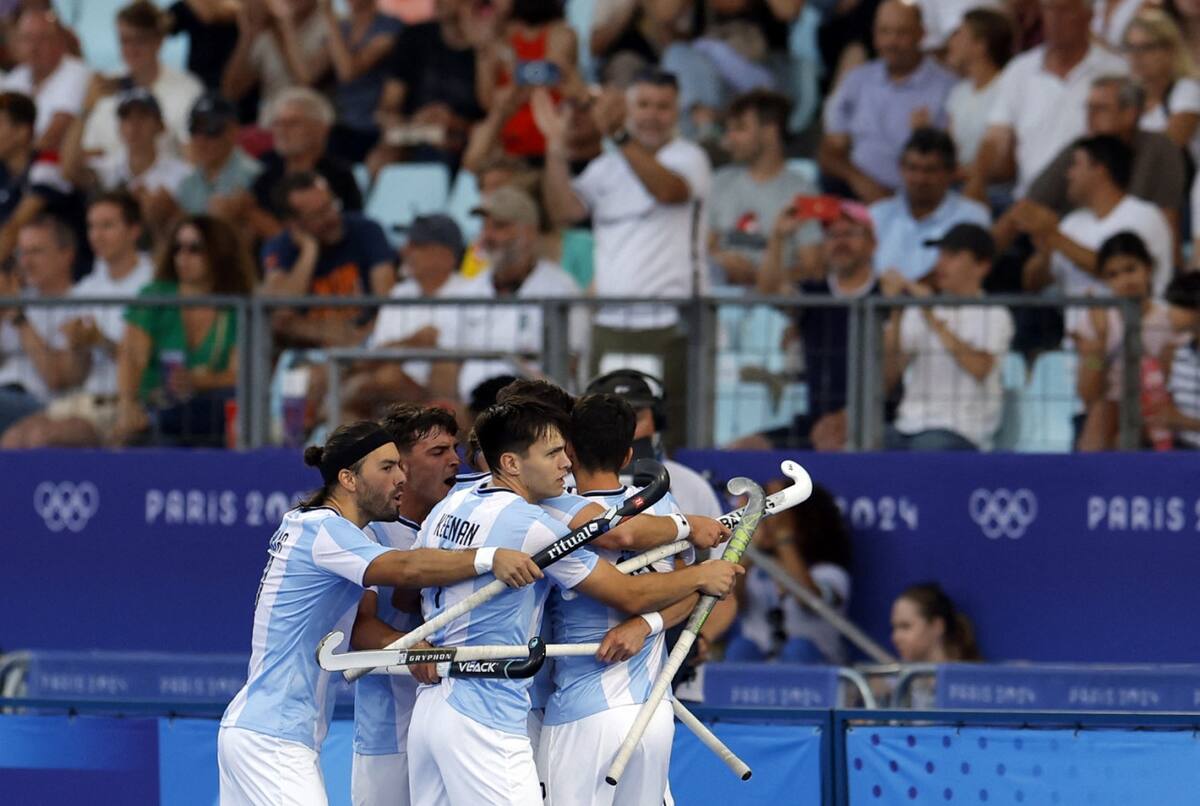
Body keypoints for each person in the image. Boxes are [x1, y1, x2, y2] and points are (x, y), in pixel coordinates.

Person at [406, 399, 741, 805]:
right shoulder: (533, 523)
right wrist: (701, 574)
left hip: (431, 710)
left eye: (565, 451)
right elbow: (627, 591)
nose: (565, 463)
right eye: (552, 454)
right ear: (511, 464)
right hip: (487, 714)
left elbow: (408, 589)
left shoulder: (453, 503)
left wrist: (423, 638)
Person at [218, 419, 542, 805]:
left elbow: (364, 624)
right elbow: (405, 569)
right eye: (386, 468)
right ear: (349, 479)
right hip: (271, 740)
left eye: (400, 466)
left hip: (257, 730)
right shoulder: (325, 530)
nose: (400, 478)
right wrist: (491, 557)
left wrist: (410, 646)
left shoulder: (314, 527)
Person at [536, 393, 704, 806]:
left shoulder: (553, 509)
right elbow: (696, 589)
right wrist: (649, 625)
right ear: (629, 454)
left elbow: (698, 587)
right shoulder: (664, 508)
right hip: (653, 716)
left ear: (568, 451)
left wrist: (642, 623)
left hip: (582, 712)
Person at [537, 69, 712, 446]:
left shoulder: (689, 156)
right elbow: (564, 211)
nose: (652, 115)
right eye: (644, 105)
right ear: (630, 109)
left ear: (677, 111)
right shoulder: (607, 166)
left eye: (663, 107)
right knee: (601, 434)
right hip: (609, 321)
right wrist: (554, 147)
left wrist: (618, 135)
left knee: (672, 435)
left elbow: (668, 191)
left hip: (672, 322)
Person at [349, 403, 463, 806]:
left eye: (455, 449)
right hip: (389, 732)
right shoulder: (369, 532)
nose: (455, 461)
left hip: (457, 724)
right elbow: (358, 629)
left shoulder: (463, 520)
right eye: (437, 453)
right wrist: (409, 646)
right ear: (400, 466)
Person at [1, 193, 153, 448]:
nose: (97, 235)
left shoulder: (151, 282)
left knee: (40, 437)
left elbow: (146, 358)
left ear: (134, 230)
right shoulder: (86, 289)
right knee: (14, 439)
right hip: (81, 398)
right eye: (92, 226)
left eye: (107, 225)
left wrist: (99, 341)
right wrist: (78, 346)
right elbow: (73, 374)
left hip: (123, 400)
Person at [747, 198, 884, 452]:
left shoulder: (888, 294)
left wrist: (847, 417)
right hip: (816, 421)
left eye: (850, 234)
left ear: (872, 243)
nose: (840, 242)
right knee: (745, 448)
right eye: (832, 235)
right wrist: (779, 237)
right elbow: (768, 291)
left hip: (879, 419)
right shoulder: (814, 293)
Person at [997, 76, 1187, 256]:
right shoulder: (1080, 149)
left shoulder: (1158, 149)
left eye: (1100, 108)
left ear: (1129, 114)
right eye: (1088, 108)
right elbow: (1027, 206)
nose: (1090, 116)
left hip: (1135, 256)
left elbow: (1169, 221)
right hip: (1072, 252)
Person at [113, 215, 254, 447]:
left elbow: (237, 374)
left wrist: (197, 381)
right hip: (154, 407)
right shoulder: (156, 295)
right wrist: (128, 404)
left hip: (209, 413)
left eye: (194, 249)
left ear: (218, 251)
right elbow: (131, 357)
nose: (182, 257)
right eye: (177, 248)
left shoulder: (235, 307)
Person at [967, 0, 1128, 201]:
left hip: (1091, 201)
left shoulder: (1116, 70)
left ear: (1088, 16)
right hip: (1026, 200)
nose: (1055, 20)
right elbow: (995, 137)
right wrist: (977, 181)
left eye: (1065, 11)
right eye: (1049, 11)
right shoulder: (1020, 70)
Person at [884, 223, 1014, 451]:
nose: (940, 264)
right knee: (858, 443)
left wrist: (930, 315)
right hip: (907, 425)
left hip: (962, 430)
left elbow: (979, 367)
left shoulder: (995, 313)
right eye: (940, 255)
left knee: (925, 450)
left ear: (981, 266)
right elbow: (887, 379)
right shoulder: (918, 310)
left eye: (952, 256)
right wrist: (895, 312)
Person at [818, 0, 958, 202]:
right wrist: (860, 181)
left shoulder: (948, 87)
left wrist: (925, 136)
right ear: (874, 35)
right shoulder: (857, 80)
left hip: (919, 201)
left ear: (922, 34)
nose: (892, 42)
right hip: (854, 197)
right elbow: (830, 150)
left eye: (902, 33)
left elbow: (952, 162)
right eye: (884, 32)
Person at [456, 185, 584, 402]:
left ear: (529, 232)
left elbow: (573, 361)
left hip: (535, 411)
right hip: (471, 411)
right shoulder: (469, 289)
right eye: (484, 226)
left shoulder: (561, 288)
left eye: (499, 226)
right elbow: (449, 365)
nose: (487, 235)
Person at [348, 214, 476, 415]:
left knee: (385, 378)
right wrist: (414, 341)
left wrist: (403, 349)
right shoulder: (400, 293)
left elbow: (452, 367)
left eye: (417, 245)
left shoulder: (473, 293)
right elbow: (375, 355)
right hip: (389, 396)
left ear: (445, 256)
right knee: (358, 384)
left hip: (448, 398)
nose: (404, 251)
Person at [1021, 135, 1174, 300]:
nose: (1068, 174)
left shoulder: (1144, 215)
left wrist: (1054, 236)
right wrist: (1045, 250)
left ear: (1100, 169)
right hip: (1076, 326)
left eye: (1075, 164)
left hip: (1138, 324)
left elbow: (1119, 270)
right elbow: (1032, 285)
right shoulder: (1071, 223)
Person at [261, 171, 394, 348]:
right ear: (293, 224)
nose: (331, 217)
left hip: (366, 342)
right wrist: (309, 251)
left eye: (331, 205)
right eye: (318, 214)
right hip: (311, 350)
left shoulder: (367, 230)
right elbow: (281, 309)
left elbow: (388, 302)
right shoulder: (281, 246)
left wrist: (362, 339)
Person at [1073, 232, 1181, 451]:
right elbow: (1088, 394)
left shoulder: (1170, 320)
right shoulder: (1096, 321)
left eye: (1131, 269)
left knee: (1120, 429)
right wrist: (1099, 345)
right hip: (1106, 412)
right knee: (1102, 411)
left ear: (1148, 268)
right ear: (1105, 280)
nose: (1125, 281)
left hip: (1156, 408)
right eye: (1113, 275)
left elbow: (1165, 383)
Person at [726, 482, 853, 664]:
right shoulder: (752, 573)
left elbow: (808, 600)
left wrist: (783, 535)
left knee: (798, 649)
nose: (767, 522)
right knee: (740, 649)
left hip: (814, 673)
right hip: (761, 673)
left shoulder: (831, 574)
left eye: (773, 515)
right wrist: (750, 540)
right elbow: (730, 600)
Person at [708, 89, 821, 289]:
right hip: (719, 298)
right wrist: (720, 260)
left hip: (775, 309)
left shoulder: (803, 191)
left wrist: (760, 276)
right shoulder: (720, 181)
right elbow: (703, 247)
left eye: (740, 128)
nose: (730, 138)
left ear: (770, 131)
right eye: (729, 129)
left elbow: (813, 267)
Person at [367, 0, 488, 173]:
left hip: (466, 136)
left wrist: (455, 124)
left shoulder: (485, 44)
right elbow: (387, 109)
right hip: (414, 131)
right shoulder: (414, 36)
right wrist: (419, 125)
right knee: (381, 157)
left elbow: (494, 110)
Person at [81, 1, 204, 164]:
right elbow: (88, 150)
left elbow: (193, 157)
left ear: (159, 41)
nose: (131, 49)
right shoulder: (104, 86)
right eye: (124, 41)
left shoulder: (188, 90)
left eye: (140, 40)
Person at [870, 127, 991, 281]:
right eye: (912, 168)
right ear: (901, 169)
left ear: (951, 172)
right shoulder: (876, 214)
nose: (920, 179)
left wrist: (904, 297)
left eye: (930, 170)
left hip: (947, 304)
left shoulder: (973, 215)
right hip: (880, 302)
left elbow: (962, 276)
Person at [0, 214, 85, 434]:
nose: (26, 262)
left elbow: (56, 377)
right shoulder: (17, 297)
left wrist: (19, 318)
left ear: (66, 255)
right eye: (22, 253)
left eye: (36, 251)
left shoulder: (81, 303)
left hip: (40, 402)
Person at [249, 87, 364, 238]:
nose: (282, 130)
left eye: (293, 123)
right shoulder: (265, 171)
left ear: (322, 128)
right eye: (277, 123)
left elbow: (341, 232)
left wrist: (253, 215)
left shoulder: (339, 175)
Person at [475, 0, 578, 162]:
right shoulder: (496, 42)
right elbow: (487, 101)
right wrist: (484, 50)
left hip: (555, 147)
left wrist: (513, 71)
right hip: (511, 152)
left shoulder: (560, 32)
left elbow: (549, 72)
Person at [0, 91, 85, 273]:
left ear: (22, 131)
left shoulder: (48, 163)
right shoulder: (3, 171)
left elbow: (14, 229)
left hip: (68, 284)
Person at [222, 0, 331, 127]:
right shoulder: (266, 31)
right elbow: (231, 91)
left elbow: (305, 80)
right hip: (269, 124)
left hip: (309, 126)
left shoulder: (330, 24)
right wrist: (248, 35)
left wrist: (284, 25)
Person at [322, 0, 404, 163]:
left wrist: (328, 15)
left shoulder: (391, 27)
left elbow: (348, 72)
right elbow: (307, 75)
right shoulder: (342, 28)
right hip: (340, 124)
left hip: (372, 126)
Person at [0, 8, 91, 153]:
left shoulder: (77, 73)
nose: (33, 47)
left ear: (60, 42)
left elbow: (52, 137)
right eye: (27, 39)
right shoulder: (15, 78)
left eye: (42, 39)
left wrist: (11, 151)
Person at [943, 7, 1014, 173]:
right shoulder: (958, 92)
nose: (951, 42)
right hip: (956, 186)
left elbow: (1004, 163)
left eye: (959, 34)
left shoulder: (1007, 88)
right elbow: (949, 151)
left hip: (996, 192)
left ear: (980, 45)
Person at [1125, 10, 1200, 164]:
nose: (1136, 56)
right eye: (1130, 48)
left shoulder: (1187, 90)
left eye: (1146, 47)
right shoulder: (1130, 96)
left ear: (1170, 50)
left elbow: (1168, 147)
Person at [176, 92, 263, 216]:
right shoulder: (187, 184)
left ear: (233, 131)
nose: (201, 140)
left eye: (211, 130)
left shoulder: (255, 176)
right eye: (195, 130)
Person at [1154, 271, 1200, 448]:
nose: (1169, 313)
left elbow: (1175, 418)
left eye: (1176, 305)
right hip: (1183, 451)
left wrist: (1183, 421)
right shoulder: (1178, 354)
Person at [890, 582, 980, 663]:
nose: (895, 638)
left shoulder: (969, 678)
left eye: (905, 626)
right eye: (894, 627)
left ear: (937, 626)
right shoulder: (894, 678)